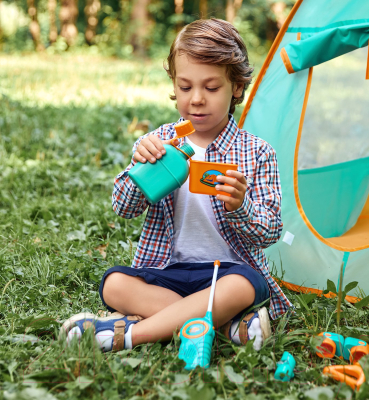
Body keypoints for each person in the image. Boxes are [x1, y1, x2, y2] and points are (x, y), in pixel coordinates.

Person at [62, 18, 292, 352]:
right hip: (167, 272)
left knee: (243, 287)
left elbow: (269, 233)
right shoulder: (158, 142)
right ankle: (228, 326)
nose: (196, 99)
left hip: (227, 275)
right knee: (114, 284)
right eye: (185, 87)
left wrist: (241, 206)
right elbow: (123, 207)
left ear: (237, 88)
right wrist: (141, 170)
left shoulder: (257, 152)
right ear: (174, 84)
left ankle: (127, 335)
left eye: (211, 88)